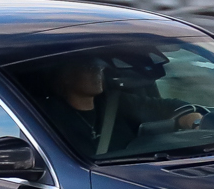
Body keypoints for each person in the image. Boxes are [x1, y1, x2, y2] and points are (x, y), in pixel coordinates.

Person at [37, 53, 202, 158]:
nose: (97, 72)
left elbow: (171, 107)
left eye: (99, 67)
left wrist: (196, 124)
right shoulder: (49, 115)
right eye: (88, 68)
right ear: (66, 77)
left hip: (137, 172)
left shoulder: (115, 102)